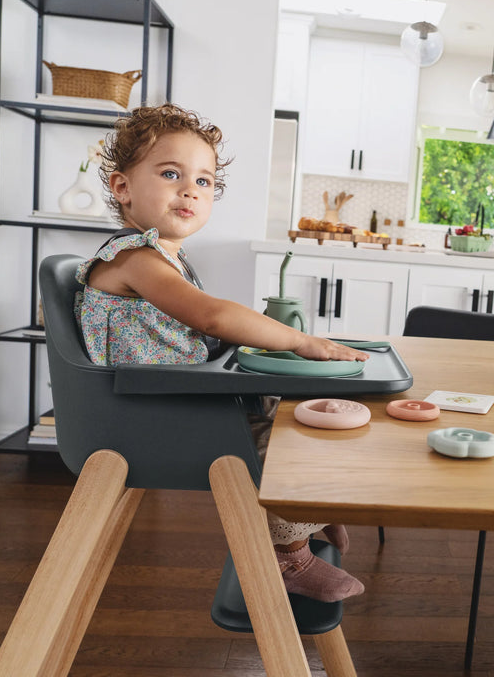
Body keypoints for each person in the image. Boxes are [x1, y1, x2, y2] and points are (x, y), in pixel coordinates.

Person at [74, 103, 367, 603]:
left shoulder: (164, 255)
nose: (190, 189)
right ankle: (288, 556)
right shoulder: (134, 257)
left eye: (205, 181)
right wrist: (298, 339)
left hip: (173, 399)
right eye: (171, 174)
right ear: (123, 187)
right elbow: (210, 316)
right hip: (149, 415)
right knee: (281, 439)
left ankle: (309, 513)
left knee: (293, 411)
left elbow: (197, 331)